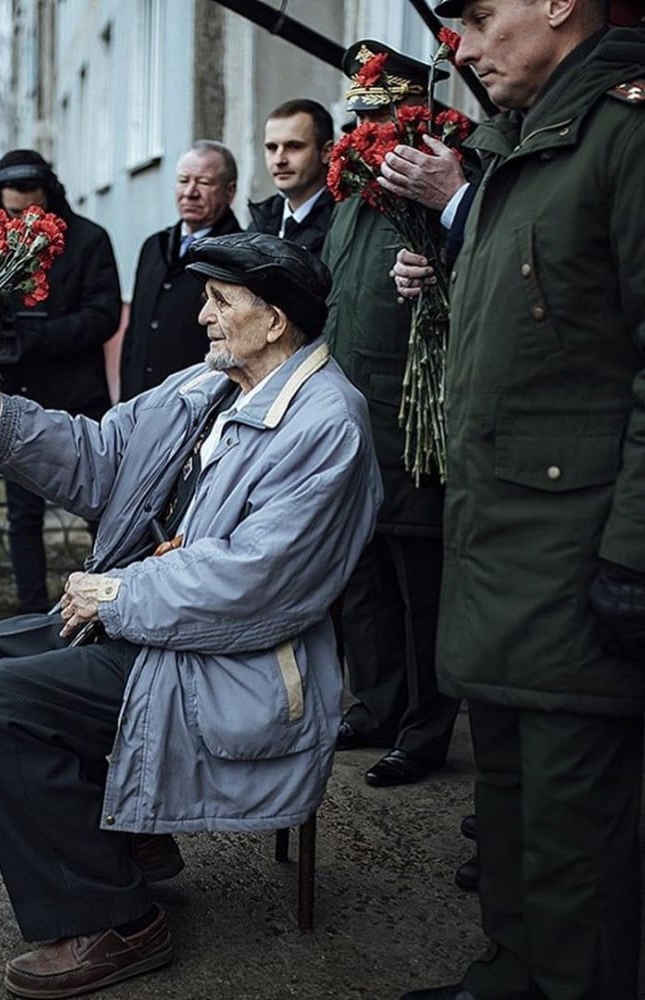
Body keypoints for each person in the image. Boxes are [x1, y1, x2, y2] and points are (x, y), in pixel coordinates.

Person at [0, 232, 382, 999]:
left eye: (220, 302)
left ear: (275, 320)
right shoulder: (209, 386)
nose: (203, 318)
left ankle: (116, 921)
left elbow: (261, 580)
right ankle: (125, 842)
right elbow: (100, 457)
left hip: (234, 657)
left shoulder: (327, 422)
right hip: (163, 621)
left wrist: (118, 594)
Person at [389, 2, 645, 998]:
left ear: (557, 4)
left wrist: (633, 553)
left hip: (579, 566)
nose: (460, 42)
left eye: (483, 13)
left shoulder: (621, 138)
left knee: (575, 839)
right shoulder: (519, 149)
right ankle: (511, 973)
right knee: (508, 805)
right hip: (501, 558)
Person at [321, 39, 461, 788]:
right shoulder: (351, 203)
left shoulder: (438, 202)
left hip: (411, 424)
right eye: (360, 126)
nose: (362, 140)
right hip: (349, 423)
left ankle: (424, 728)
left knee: (419, 585)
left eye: (380, 125)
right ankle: (375, 706)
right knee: (362, 577)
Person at [0, 149, 122, 613]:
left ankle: (105, 605)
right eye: (13, 211)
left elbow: (104, 316)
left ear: (51, 197)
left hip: (78, 398)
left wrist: (41, 336)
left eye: (33, 210)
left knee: (102, 510)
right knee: (23, 517)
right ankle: (29, 614)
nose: (23, 220)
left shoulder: (88, 240)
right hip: (19, 396)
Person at [119, 140, 241, 400]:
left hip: (200, 401)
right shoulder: (153, 246)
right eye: (183, 180)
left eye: (204, 182)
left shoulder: (239, 254)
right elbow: (135, 334)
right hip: (142, 400)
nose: (190, 192)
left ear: (229, 192)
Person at [247, 98, 335, 254]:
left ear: (327, 152)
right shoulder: (261, 221)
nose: (279, 160)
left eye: (294, 147)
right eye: (272, 148)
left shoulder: (342, 223)